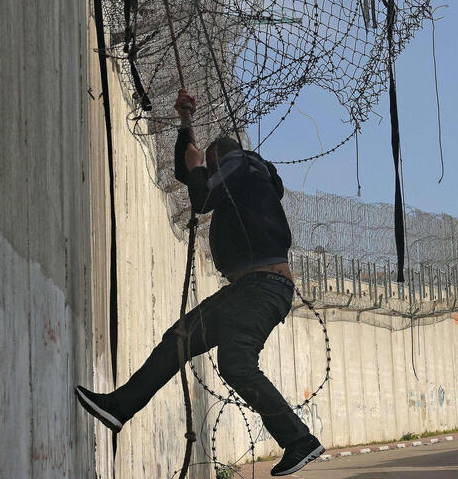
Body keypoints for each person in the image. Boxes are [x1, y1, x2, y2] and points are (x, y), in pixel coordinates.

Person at [75, 89, 324, 476]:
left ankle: (299, 440)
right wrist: (185, 124)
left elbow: (201, 196)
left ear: (218, 161)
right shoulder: (246, 180)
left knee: (235, 362)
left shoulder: (241, 162)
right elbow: (190, 177)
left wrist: (197, 168)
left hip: (262, 287)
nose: (208, 173)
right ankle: (120, 407)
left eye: (210, 167)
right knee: (181, 340)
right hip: (251, 290)